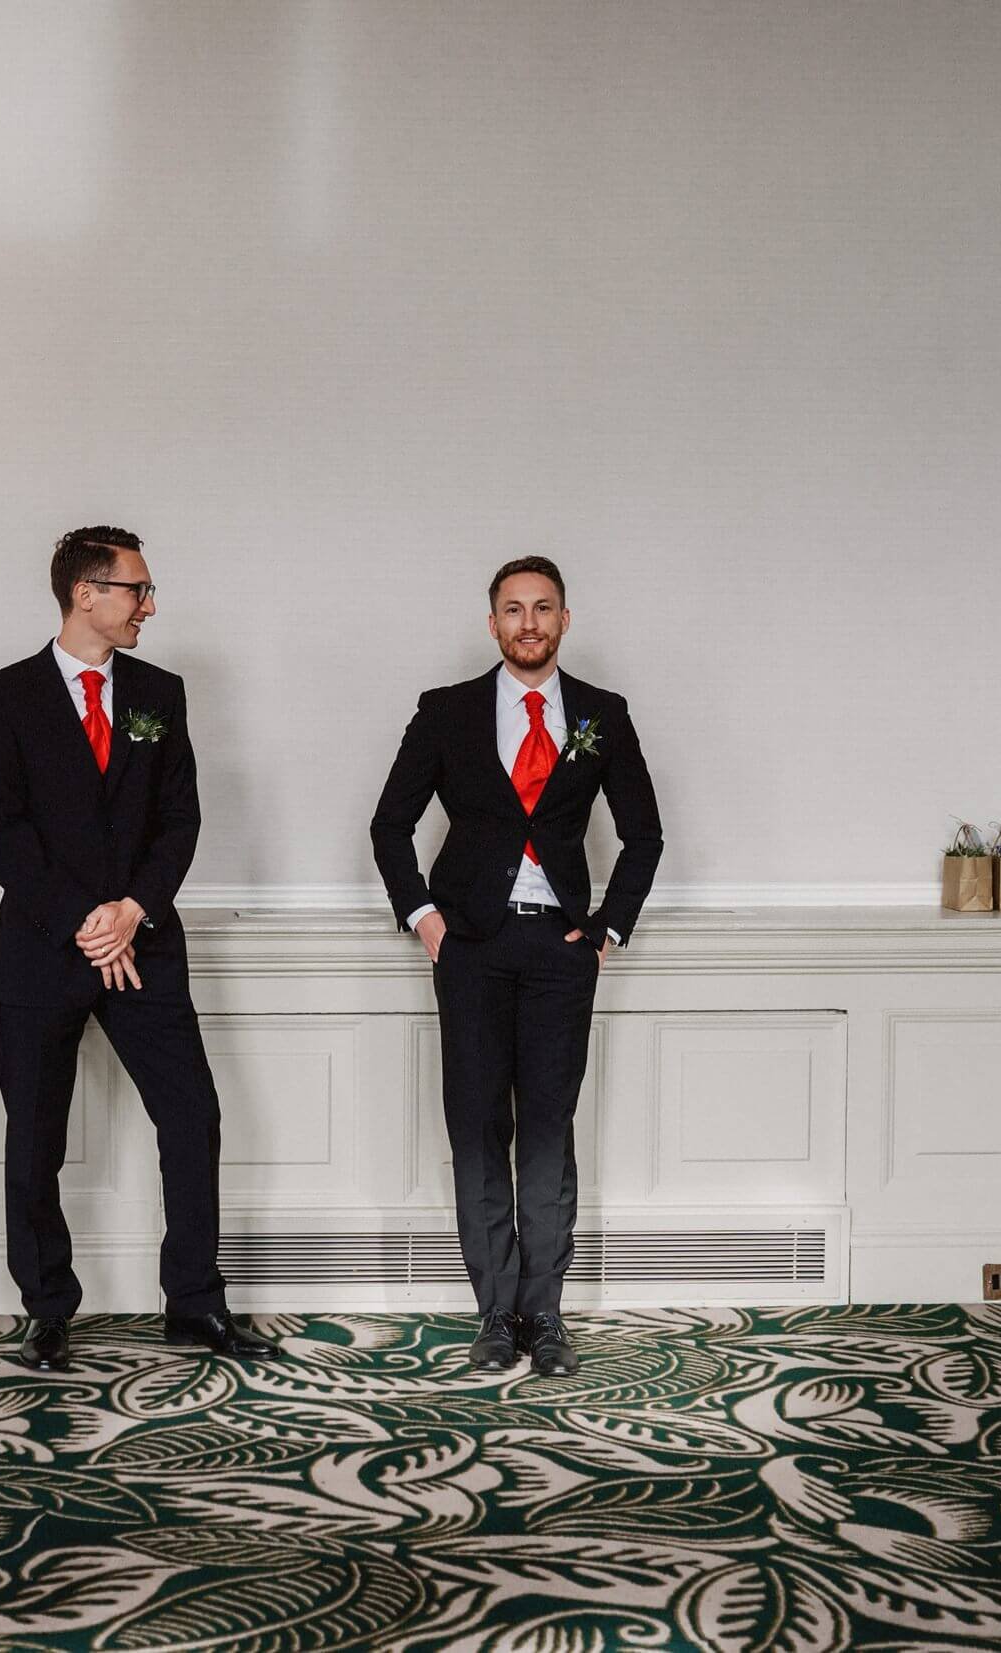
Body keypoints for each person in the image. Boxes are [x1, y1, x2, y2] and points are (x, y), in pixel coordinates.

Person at [0, 525, 278, 1372]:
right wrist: (86, 920)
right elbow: (0, 833)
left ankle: (195, 1303)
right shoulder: (1, 697)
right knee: (35, 1136)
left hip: (146, 941)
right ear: (85, 594)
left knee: (193, 1118)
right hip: (41, 949)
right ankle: (46, 1310)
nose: (149, 603)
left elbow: (182, 817)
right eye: (136, 588)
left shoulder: (159, 692)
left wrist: (132, 910)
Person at [368, 556, 662, 1376]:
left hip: (563, 951)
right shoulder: (447, 712)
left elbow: (645, 834)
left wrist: (609, 931)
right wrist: (425, 921)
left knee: (546, 1131)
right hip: (470, 949)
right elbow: (389, 825)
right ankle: (494, 1312)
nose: (527, 623)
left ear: (566, 619)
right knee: (476, 1129)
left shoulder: (603, 713)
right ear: (491, 623)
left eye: (542, 608)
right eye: (512, 609)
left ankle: (545, 1311)